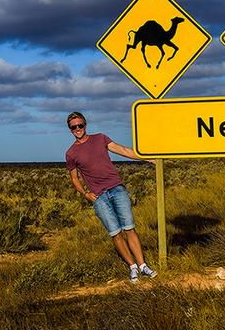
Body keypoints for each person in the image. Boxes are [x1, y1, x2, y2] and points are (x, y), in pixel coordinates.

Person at [64, 111, 158, 283]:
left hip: (116, 188)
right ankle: (133, 267)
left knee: (129, 227)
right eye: (74, 127)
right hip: (99, 197)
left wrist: (148, 158)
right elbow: (74, 178)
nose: (78, 129)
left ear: (85, 124)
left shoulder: (100, 138)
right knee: (115, 233)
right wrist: (86, 194)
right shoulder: (71, 153)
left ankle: (143, 265)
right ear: (70, 130)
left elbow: (123, 150)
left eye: (80, 125)